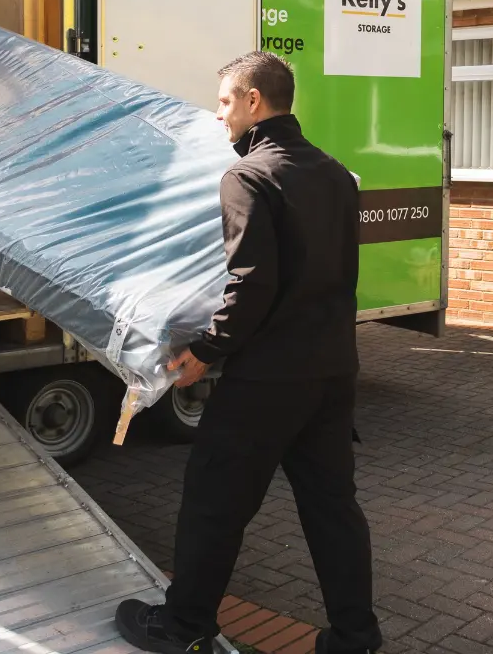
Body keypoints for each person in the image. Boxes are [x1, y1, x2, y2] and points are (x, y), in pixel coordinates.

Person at [116, 52, 382, 654]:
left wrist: (206, 351)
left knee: (213, 501)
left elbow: (251, 283)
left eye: (225, 101)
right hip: (333, 373)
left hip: (267, 380)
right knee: (333, 509)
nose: (219, 115)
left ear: (254, 101)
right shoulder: (336, 174)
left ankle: (183, 626)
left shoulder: (248, 176)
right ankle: (355, 637)